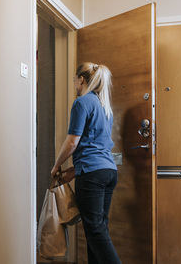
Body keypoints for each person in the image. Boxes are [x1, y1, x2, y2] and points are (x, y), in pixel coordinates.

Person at [50, 62, 121, 264]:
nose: (74, 84)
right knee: (97, 229)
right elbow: (94, 146)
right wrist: (74, 170)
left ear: (81, 79)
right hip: (108, 172)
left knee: (95, 231)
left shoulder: (82, 103)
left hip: (93, 176)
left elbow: (73, 142)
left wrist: (57, 165)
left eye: (74, 80)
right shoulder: (104, 106)